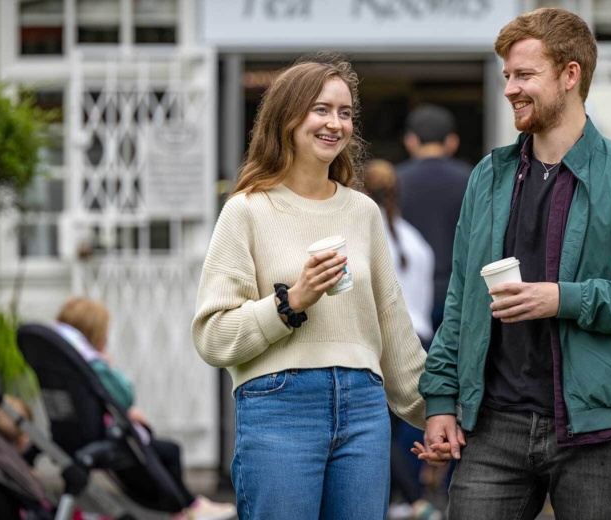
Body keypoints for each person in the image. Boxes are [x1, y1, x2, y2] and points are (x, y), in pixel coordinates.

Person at [414, 8, 611, 520]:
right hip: (493, 425)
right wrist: (441, 401)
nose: (511, 88)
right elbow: (461, 300)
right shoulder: (487, 177)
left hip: (592, 429)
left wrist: (562, 298)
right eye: (507, 77)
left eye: (524, 75)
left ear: (569, 75)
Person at [192, 53, 427, 520]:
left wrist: (433, 416)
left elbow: (392, 325)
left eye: (344, 113)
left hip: (364, 406)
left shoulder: (362, 212)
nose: (335, 123)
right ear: (287, 117)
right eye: (321, 109)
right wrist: (290, 303)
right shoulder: (247, 211)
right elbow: (213, 336)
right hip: (279, 405)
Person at [55, 297, 236, 520]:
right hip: (110, 437)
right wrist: (110, 366)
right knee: (170, 452)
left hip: (77, 432)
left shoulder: (66, 363)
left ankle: (187, 506)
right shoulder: (95, 364)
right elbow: (124, 395)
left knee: (165, 451)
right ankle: (185, 507)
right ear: (96, 334)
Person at [363, 159, 440, 520]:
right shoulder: (411, 237)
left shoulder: (366, 232)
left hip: (387, 340)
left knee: (377, 430)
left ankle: (412, 501)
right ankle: (405, 500)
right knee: (401, 426)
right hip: (421, 337)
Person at [397, 104, 472, 334]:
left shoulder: (394, 181)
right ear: (452, 141)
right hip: (458, 292)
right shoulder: (472, 179)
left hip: (407, 294)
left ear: (410, 140)